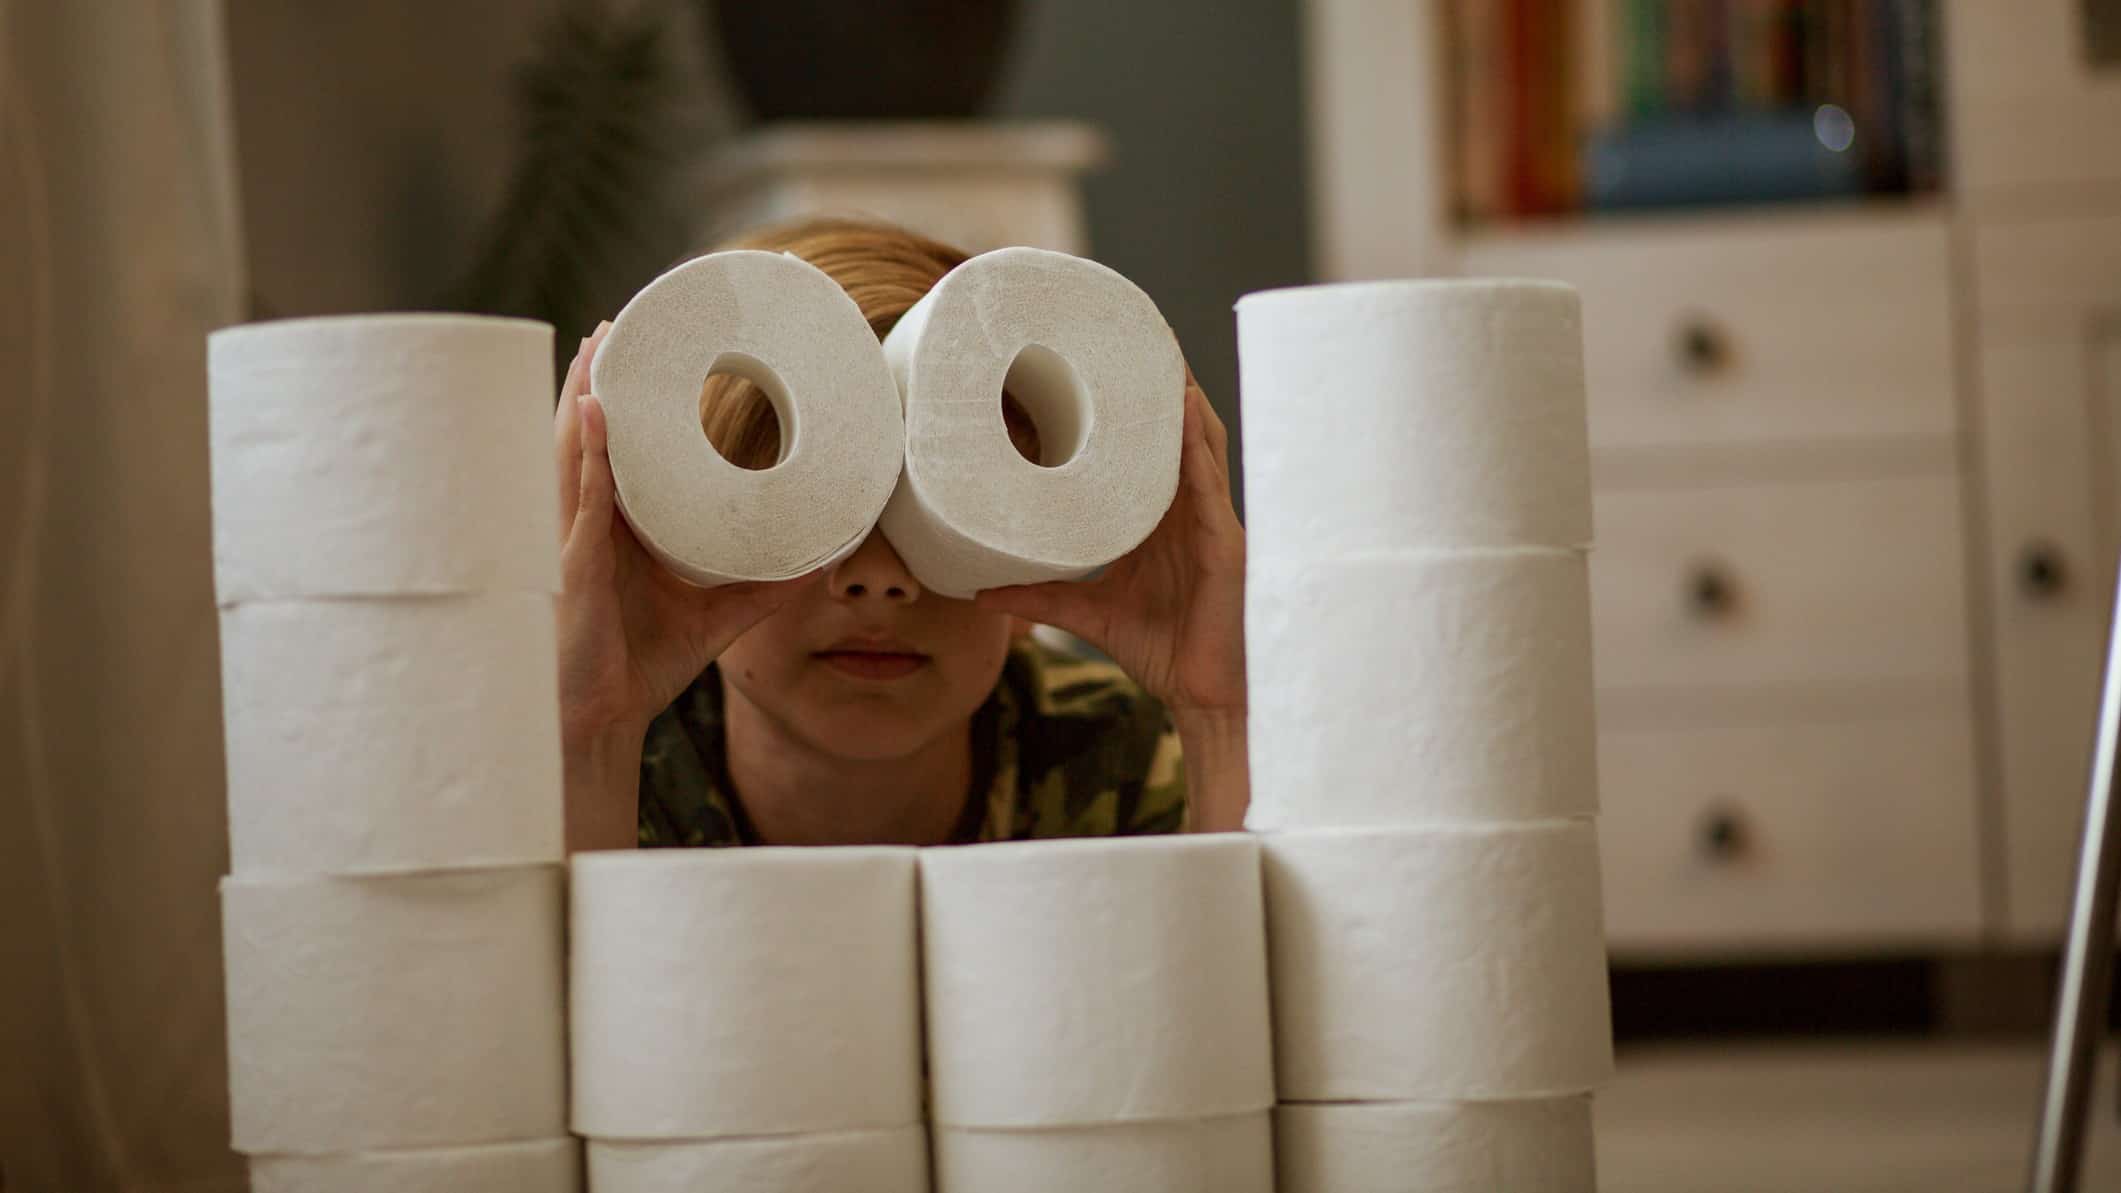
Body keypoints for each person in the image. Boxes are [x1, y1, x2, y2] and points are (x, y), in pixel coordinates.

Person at [554, 218, 1248, 851]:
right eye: (823, 515)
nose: (878, 575)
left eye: (932, 518)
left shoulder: (1124, 757)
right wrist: (595, 734)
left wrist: (1218, 710)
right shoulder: (624, 757)